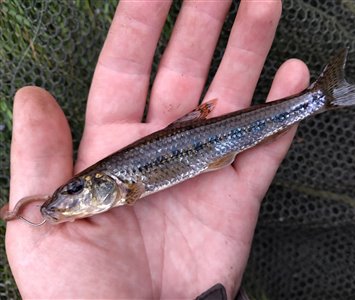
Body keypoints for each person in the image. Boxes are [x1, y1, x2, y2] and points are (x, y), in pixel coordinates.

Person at [5, 1, 309, 299]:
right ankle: (312, 100)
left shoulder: (122, 186)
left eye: (76, 189)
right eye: (75, 190)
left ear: (101, 183)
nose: (69, 196)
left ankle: (313, 99)